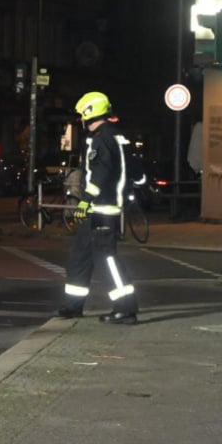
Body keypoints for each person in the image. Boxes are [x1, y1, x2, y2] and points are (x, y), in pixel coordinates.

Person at [56, 91, 139, 325]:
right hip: (101, 207)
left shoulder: (101, 137)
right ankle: (73, 306)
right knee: (80, 257)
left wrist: (86, 200)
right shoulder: (117, 135)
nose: (81, 120)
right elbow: (135, 169)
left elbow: (100, 172)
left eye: (82, 115)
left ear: (90, 113)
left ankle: (126, 308)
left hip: (103, 208)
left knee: (107, 258)